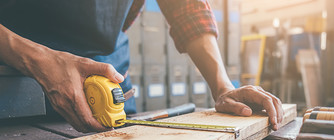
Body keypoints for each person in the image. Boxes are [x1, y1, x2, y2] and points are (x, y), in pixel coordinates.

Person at [0, 0, 284, 133]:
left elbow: (186, 7)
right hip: (12, 76)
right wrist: (37, 59)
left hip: (107, 76)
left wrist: (223, 86)